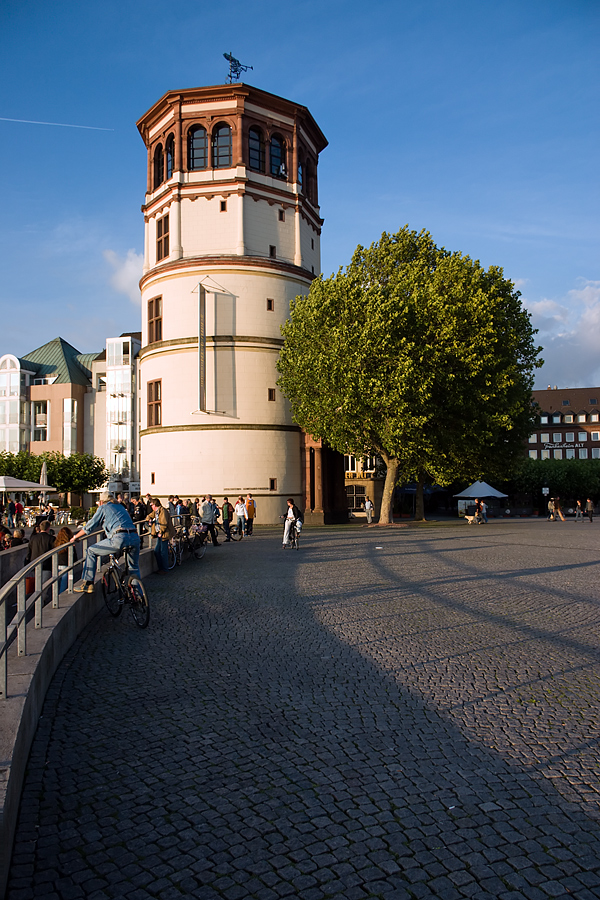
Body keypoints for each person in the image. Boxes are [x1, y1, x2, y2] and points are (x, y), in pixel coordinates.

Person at [71, 492, 141, 593]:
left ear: (101, 501)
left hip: (119, 538)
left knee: (91, 551)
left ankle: (88, 583)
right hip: (134, 536)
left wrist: (75, 537)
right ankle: (138, 595)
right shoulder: (120, 506)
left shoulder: (103, 507)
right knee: (133, 567)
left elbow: (89, 526)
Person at [147, 498, 176, 573]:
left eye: (152, 505)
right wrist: (149, 519)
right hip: (160, 534)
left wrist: (161, 532)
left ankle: (164, 569)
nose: (151, 506)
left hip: (164, 534)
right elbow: (149, 516)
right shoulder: (156, 511)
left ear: (155, 504)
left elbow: (164, 522)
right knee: (157, 551)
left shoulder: (162, 511)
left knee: (163, 551)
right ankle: (161, 568)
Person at [54, 526, 77, 593]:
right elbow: (74, 556)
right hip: (66, 564)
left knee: (57, 584)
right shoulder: (69, 544)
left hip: (57, 565)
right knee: (64, 585)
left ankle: (56, 598)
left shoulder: (56, 543)